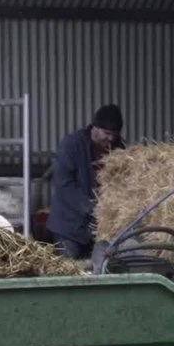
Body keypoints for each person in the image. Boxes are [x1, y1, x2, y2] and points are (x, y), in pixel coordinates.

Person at [48, 104, 125, 258]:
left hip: (99, 230)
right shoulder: (71, 145)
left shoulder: (119, 150)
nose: (111, 138)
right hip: (69, 227)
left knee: (102, 266)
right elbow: (64, 186)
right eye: (107, 133)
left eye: (115, 134)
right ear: (94, 128)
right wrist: (91, 207)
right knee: (69, 270)